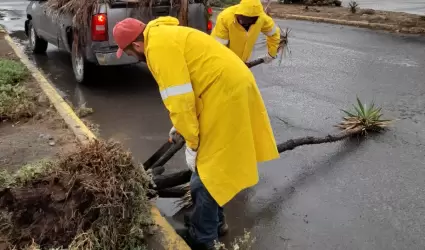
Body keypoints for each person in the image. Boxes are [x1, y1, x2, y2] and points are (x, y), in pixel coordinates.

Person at [113, 16, 280, 250]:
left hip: (224, 93)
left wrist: (191, 141)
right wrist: (180, 127)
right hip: (224, 88)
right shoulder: (162, 35)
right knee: (214, 167)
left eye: (129, 52)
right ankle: (215, 224)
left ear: (137, 45)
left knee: (205, 173)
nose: (133, 56)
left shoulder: (158, 48)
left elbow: (180, 99)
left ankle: (204, 238)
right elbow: (189, 86)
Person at [211, 0, 281, 64]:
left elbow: (274, 33)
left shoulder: (261, 18)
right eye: (244, 19)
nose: (247, 23)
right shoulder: (225, 18)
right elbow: (219, 47)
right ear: (240, 13)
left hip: (242, 62)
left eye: (251, 21)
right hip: (223, 60)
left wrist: (271, 53)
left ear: (257, 17)